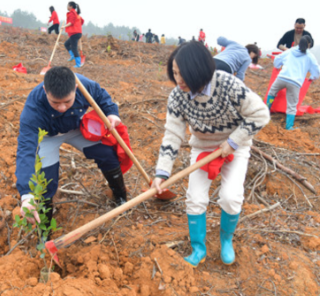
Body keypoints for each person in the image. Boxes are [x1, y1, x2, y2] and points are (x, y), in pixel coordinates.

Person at [151, 41, 270, 267]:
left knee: (231, 197)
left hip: (235, 145)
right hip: (203, 147)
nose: (179, 80)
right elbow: (172, 135)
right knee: (195, 199)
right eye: (175, 73)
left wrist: (233, 142)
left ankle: (226, 240)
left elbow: (260, 114)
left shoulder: (228, 85)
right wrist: (162, 173)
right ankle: (198, 248)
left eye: (184, 74)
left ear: (200, 70)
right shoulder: (177, 97)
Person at [16, 67, 128, 230]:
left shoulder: (84, 85)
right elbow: (26, 150)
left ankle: (120, 196)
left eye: (67, 102)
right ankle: (45, 225)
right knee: (46, 179)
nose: (62, 107)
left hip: (77, 128)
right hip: (48, 137)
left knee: (107, 154)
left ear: (75, 89)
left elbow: (100, 94)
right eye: (55, 102)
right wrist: (26, 194)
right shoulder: (32, 110)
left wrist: (111, 112)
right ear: (45, 90)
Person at [267, 36, 320, 130]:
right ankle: (289, 126)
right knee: (292, 105)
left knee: (271, 94)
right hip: (295, 83)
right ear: (309, 44)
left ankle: (266, 114)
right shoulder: (310, 56)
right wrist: (312, 77)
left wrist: (278, 66)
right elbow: (316, 71)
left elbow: (277, 59)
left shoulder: (290, 51)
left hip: (282, 78)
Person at [61, 2, 84, 68]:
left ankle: (78, 64)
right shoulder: (76, 14)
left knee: (74, 48)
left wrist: (64, 26)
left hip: (75, 33)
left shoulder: (72, 13)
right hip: (77, 33)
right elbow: (82, 21)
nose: (67, 7)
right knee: (66, 44)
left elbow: (71, 22)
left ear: (71, 6)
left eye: (67, 6)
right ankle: (73, 56)